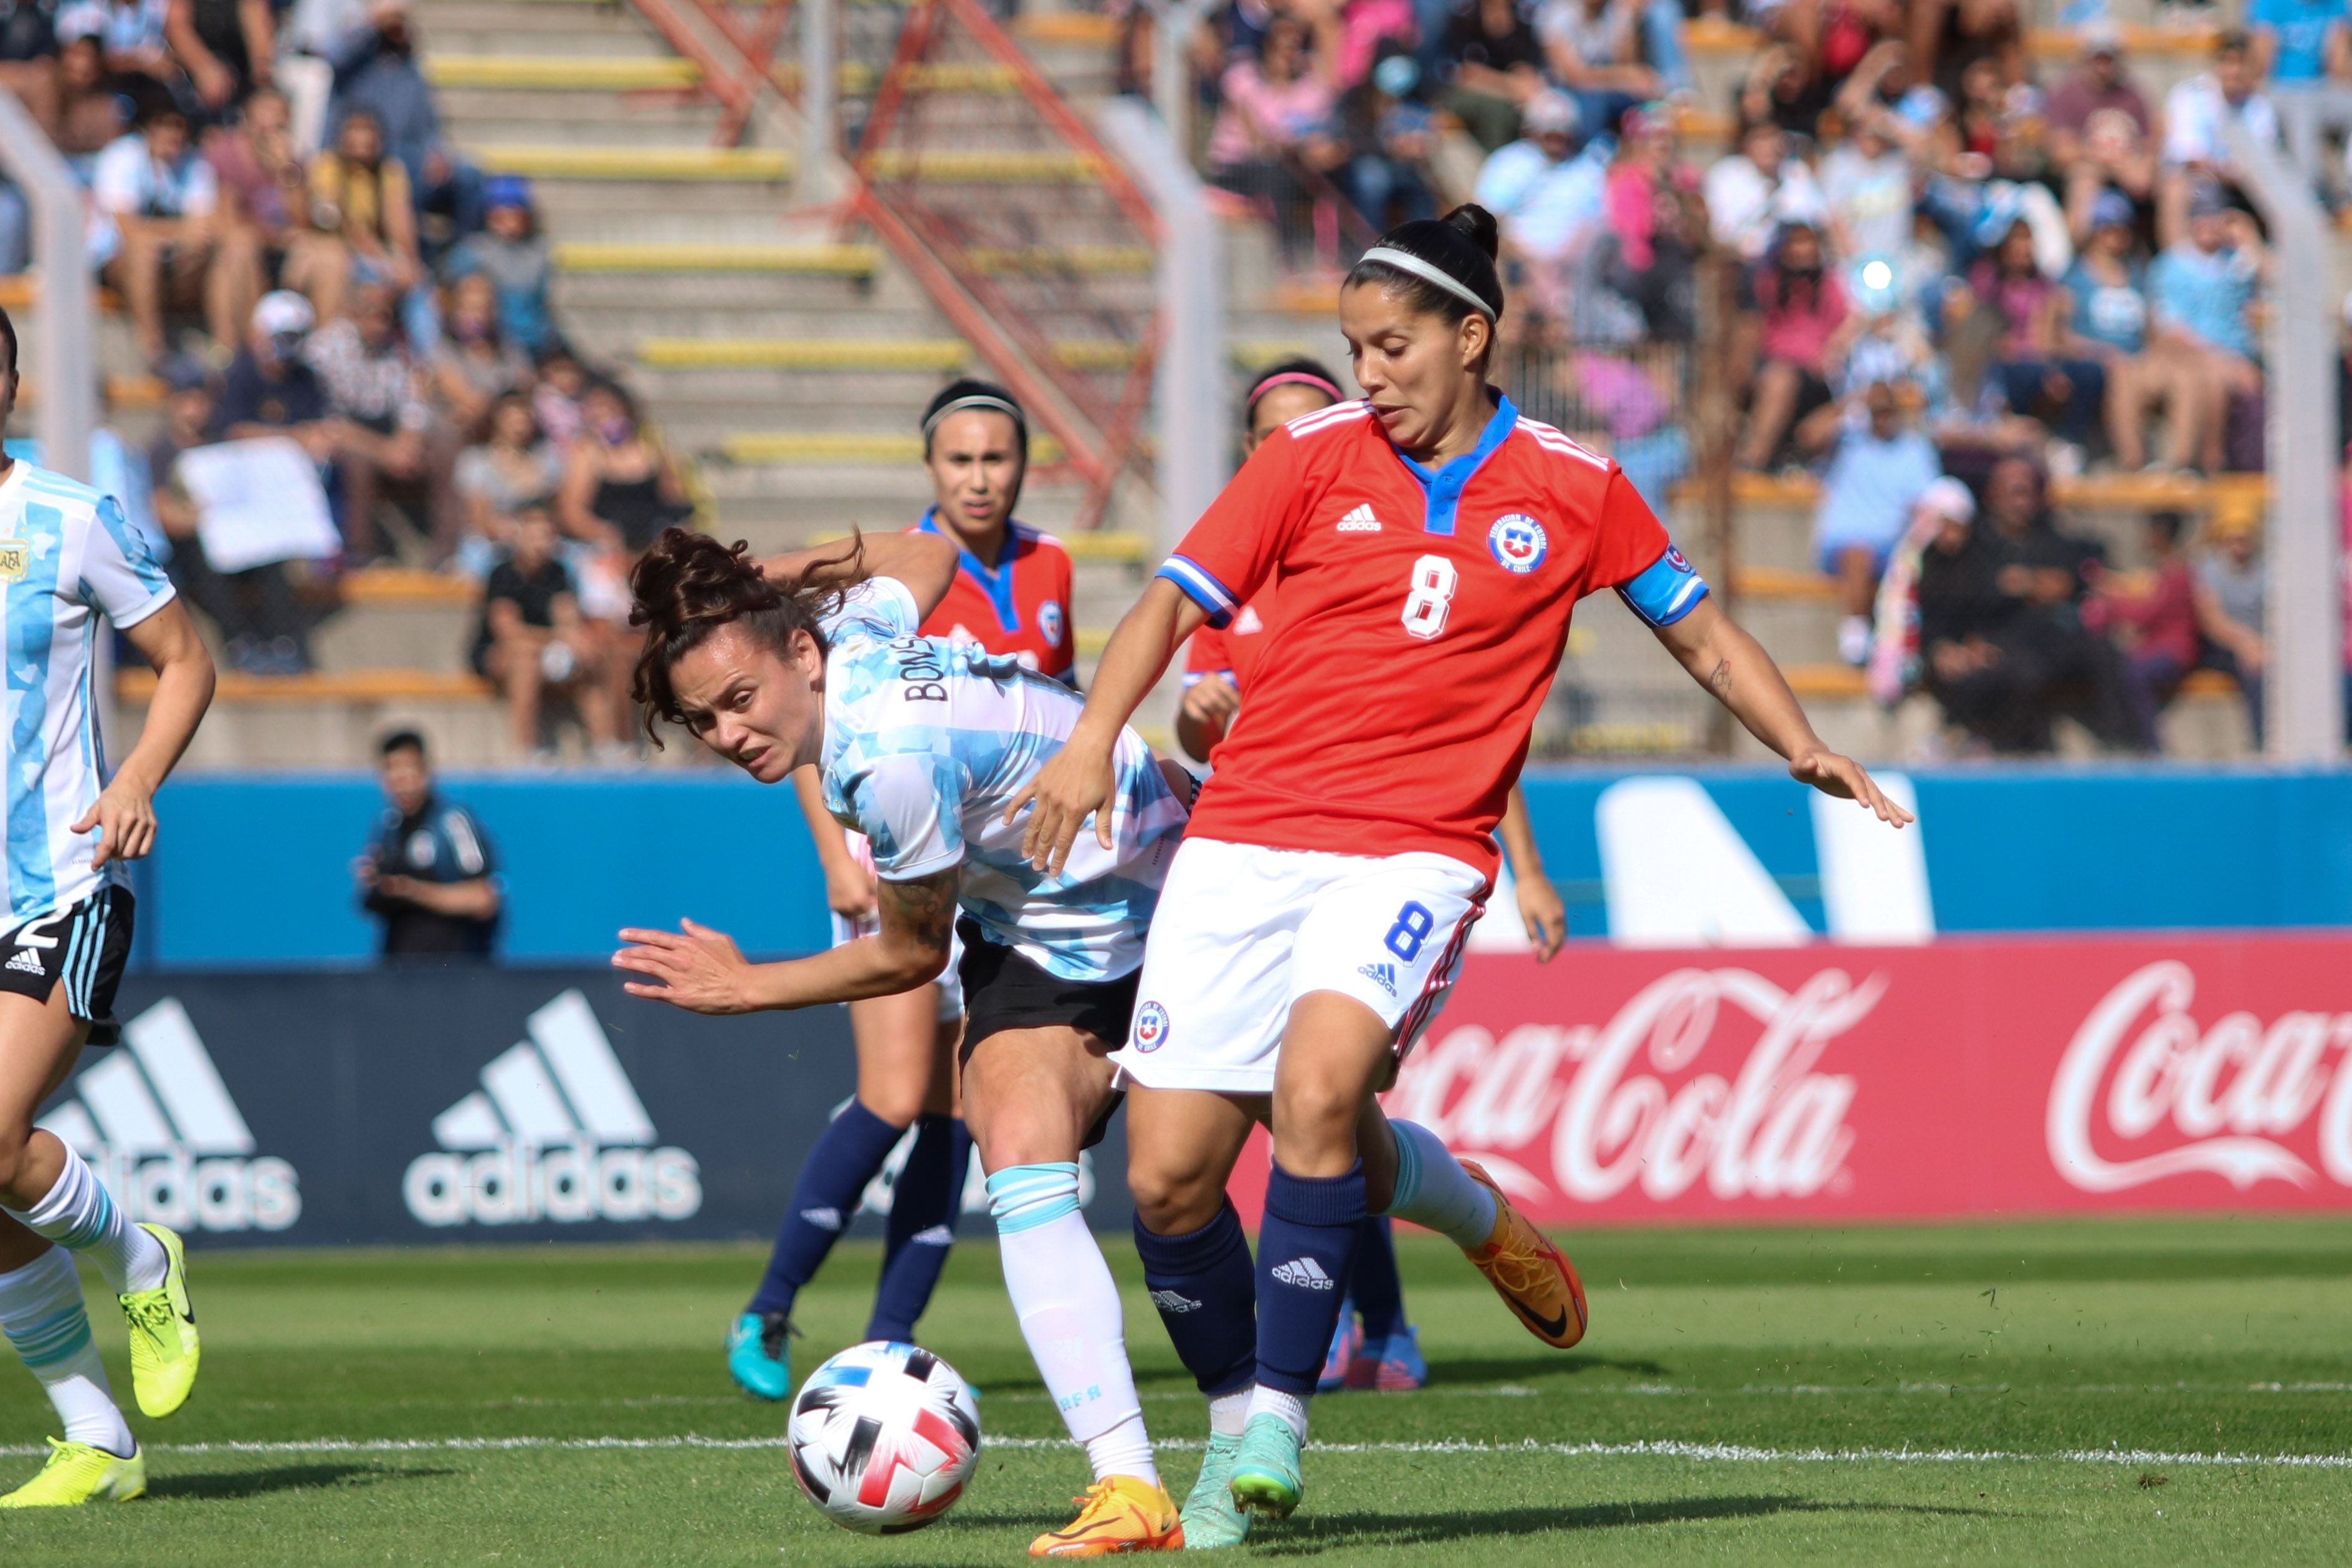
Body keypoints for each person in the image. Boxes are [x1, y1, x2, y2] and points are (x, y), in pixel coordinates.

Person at [1009, 205, 1910, 1544]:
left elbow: (1703, 632)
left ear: (1471, 336)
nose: (1367, 373)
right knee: (1166, 1181)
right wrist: (1092, 739)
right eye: (1354, 348)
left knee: (1316, 1094)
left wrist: (1805, 744)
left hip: (1413, 851)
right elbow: (1169, 600)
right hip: (1246, 841)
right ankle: (1457, 1226)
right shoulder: (1310, 462)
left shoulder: (1573, 486)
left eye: (1389, 346)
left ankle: (1268, 1430)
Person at [613, 525, 1196, 1556]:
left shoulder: (884, 760)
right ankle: (1131, 1487)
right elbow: (919, 560)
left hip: (1176, 890)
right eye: (703, 719)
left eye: (738, 699)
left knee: (1302, 1149)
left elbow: (909, 954)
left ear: (799, 658)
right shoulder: (856, 635)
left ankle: (1467, 1209)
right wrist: (768, 583)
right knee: (1015, 1144)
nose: (728, 732)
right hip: (1053, 931)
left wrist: (752, 987)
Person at [1177, 358, 1570, 1400]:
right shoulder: (1238, 582)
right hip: (1256, 864)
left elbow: (1476, 738)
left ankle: (1366, 1341)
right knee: (1298, 1127)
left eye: (1316, 421)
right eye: (1273, 431)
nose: (1297, 442)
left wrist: (1527, 871)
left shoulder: (1397, 549)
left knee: (1322, 1103)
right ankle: (1410, 1279)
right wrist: (1200, 717)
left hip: (1384, 856)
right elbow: (1191, 707)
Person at [725, 379, 1067, 1406]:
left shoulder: (1050, 566)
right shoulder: (877, 568)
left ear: (1020, 466)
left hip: (989, 872)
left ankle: (886, 1342)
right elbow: (801, 728)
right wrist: (836, 855)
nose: (978, 477)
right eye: (959, 459)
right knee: (890, 1093)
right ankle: (771, 1304)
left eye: (995, 458)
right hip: (888, 858)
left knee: (954, 1111)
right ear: (932, 469)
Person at [0, 302, 217, 1508]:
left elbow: (189, 656)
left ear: (12, 383)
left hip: (62, 882)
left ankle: (143, 1254)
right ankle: (97, 1434)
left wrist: (135, 776)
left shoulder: (68, 519)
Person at [91, 100, 258, 363]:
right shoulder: (122, 157)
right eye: (163, 125)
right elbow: (129, 228)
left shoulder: (195, 164)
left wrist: (189, 235)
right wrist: (184, 231)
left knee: (234, 245)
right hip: (119, 262)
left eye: (178, 127)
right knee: (143, 248)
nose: (172, 134)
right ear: (147, 128)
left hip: (175, 264)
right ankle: (153, 350)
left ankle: (228, 350)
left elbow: (206, 227)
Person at [470, 504, 621, 761]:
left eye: (546, 536)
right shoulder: (502, 574)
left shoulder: (559, 573)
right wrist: (558, 638)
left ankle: (606, 745)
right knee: (524, 659)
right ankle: (525, 750)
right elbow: (508, 632)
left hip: (544, 651)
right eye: (535, 535)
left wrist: (576, 642)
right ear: (520, 537)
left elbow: (567, 619)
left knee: (589, 657)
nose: (541, 543)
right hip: (498, 654)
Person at [1814, 378, 1943, 665]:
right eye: (1877, 410)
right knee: (1858, 556)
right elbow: (1808, 435)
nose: (1883, 416)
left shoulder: (1915, 450)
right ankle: (1857, 635)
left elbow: (1926, 501)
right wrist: (1852, 401)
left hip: (1894, 546)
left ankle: (1896, 652)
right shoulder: (1848, 441)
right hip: (1847, 543)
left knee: (1903, 568)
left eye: (1888, 409)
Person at [356, 728, 500, 962]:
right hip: (397, 969)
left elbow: (483, 898)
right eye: (392, 771)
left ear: (426, 772)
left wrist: (413, 891)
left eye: (408, 770)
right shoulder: (386, 827)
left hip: (450, 969)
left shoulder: (452, 822)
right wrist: (376, 885)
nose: (401, 782)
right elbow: (370, 902)